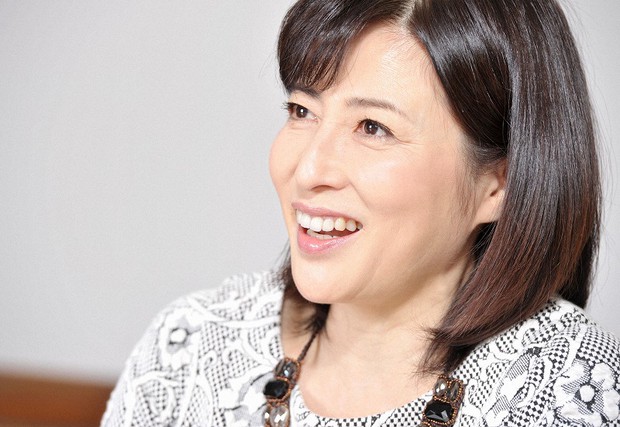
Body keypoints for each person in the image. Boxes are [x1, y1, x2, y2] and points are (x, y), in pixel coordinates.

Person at [101, 0, 620, 426]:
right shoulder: (191, 347)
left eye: (373, 127)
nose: (309, 169)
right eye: (302, 111)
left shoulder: (567, 389)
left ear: (498, 184)